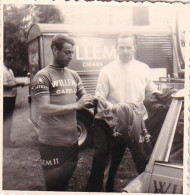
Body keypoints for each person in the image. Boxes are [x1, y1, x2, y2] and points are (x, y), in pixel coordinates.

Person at [87, 34, 158, 192]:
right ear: (116, 48)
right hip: (116, 126)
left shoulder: (143, 68)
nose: (125, 51)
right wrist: (116, 109)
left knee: (146, 165)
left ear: (134, 48)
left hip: (139, 125)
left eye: (128, 47)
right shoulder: (106, 70)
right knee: (107, 168)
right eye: (121, 47)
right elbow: (99, 97)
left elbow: (152, 94)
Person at [32, 34, 93, 191]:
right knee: (53, 187)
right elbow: (44, 109)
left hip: (72, 142)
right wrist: (75, 106)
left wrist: (100, 101)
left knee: (64, 182)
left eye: (72, 52)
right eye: (67, 52)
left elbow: (85, 98)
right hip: (51, 143)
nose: (70, 56)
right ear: (54, 49)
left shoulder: (73, 74)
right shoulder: (43, 76)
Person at [3, 54, 26, 148]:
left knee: (9, 119)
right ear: (7, 61)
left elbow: (12, 81)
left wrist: (19, 83)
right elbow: (4, 86)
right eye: (11, 62)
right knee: (6, 120)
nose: (13, 64)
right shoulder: (3, 71)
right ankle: (6, 142)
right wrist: (17, 85)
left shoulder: (10, 70)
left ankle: (7, 140)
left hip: (12, 97)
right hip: (6, 98)